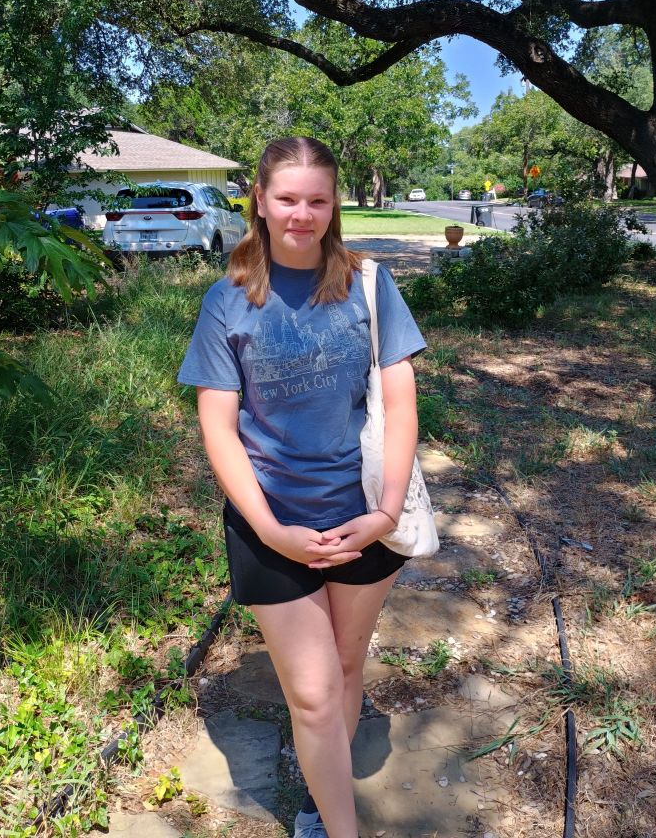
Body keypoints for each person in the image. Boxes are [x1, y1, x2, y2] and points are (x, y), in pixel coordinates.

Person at [178, 137, 425, 838]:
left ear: (334, 204)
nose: (302, 214)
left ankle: (321, 802)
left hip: (363, 518)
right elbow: (218, 428)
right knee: (313, 694)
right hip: (271, 523)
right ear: (259, 200)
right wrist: (269, 529)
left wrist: (385, 514)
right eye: (287, 198)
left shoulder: (369, 284)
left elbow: (400, 401)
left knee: (344, 668)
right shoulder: (226, 301)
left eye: (317, 200)